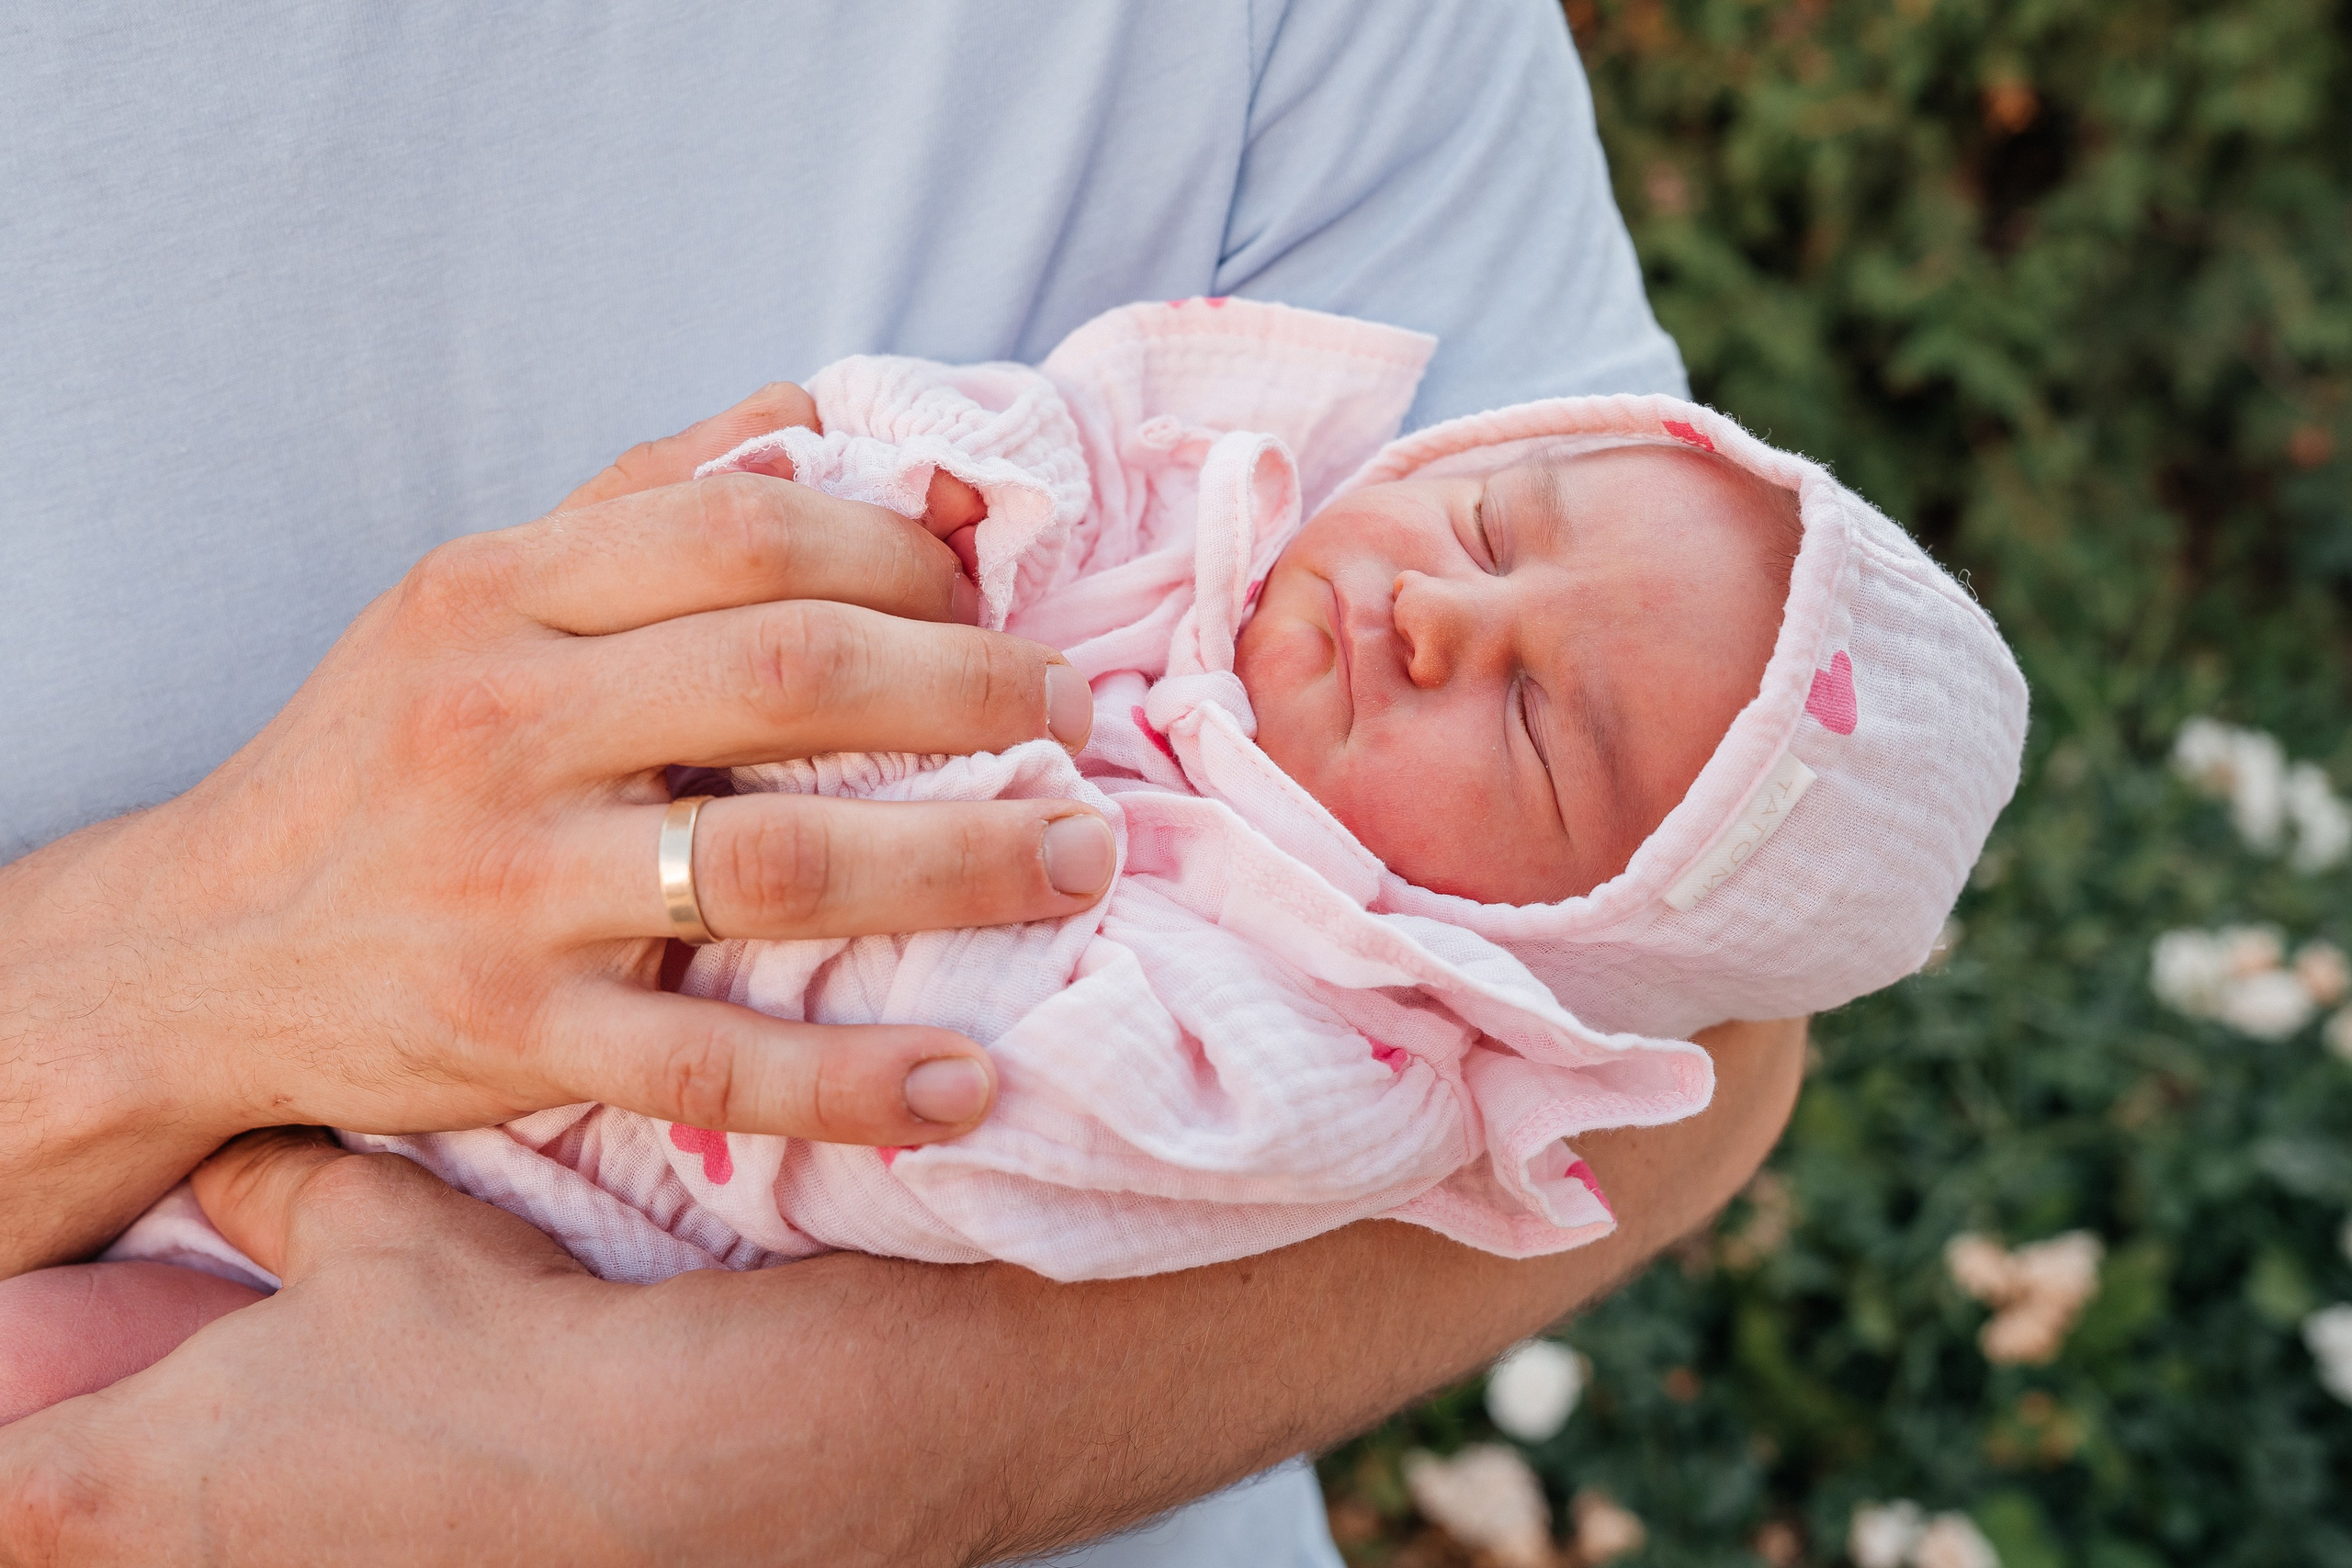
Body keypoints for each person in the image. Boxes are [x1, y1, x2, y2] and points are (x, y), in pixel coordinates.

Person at [0, 5, 1809, 1562]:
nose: (1435, 618)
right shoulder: (1214, 539)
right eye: (1482, 526)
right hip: (225, 1300)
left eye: (1525, 714)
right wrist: (203, 950)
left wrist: (764, 1460)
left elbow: (1704, 1024)